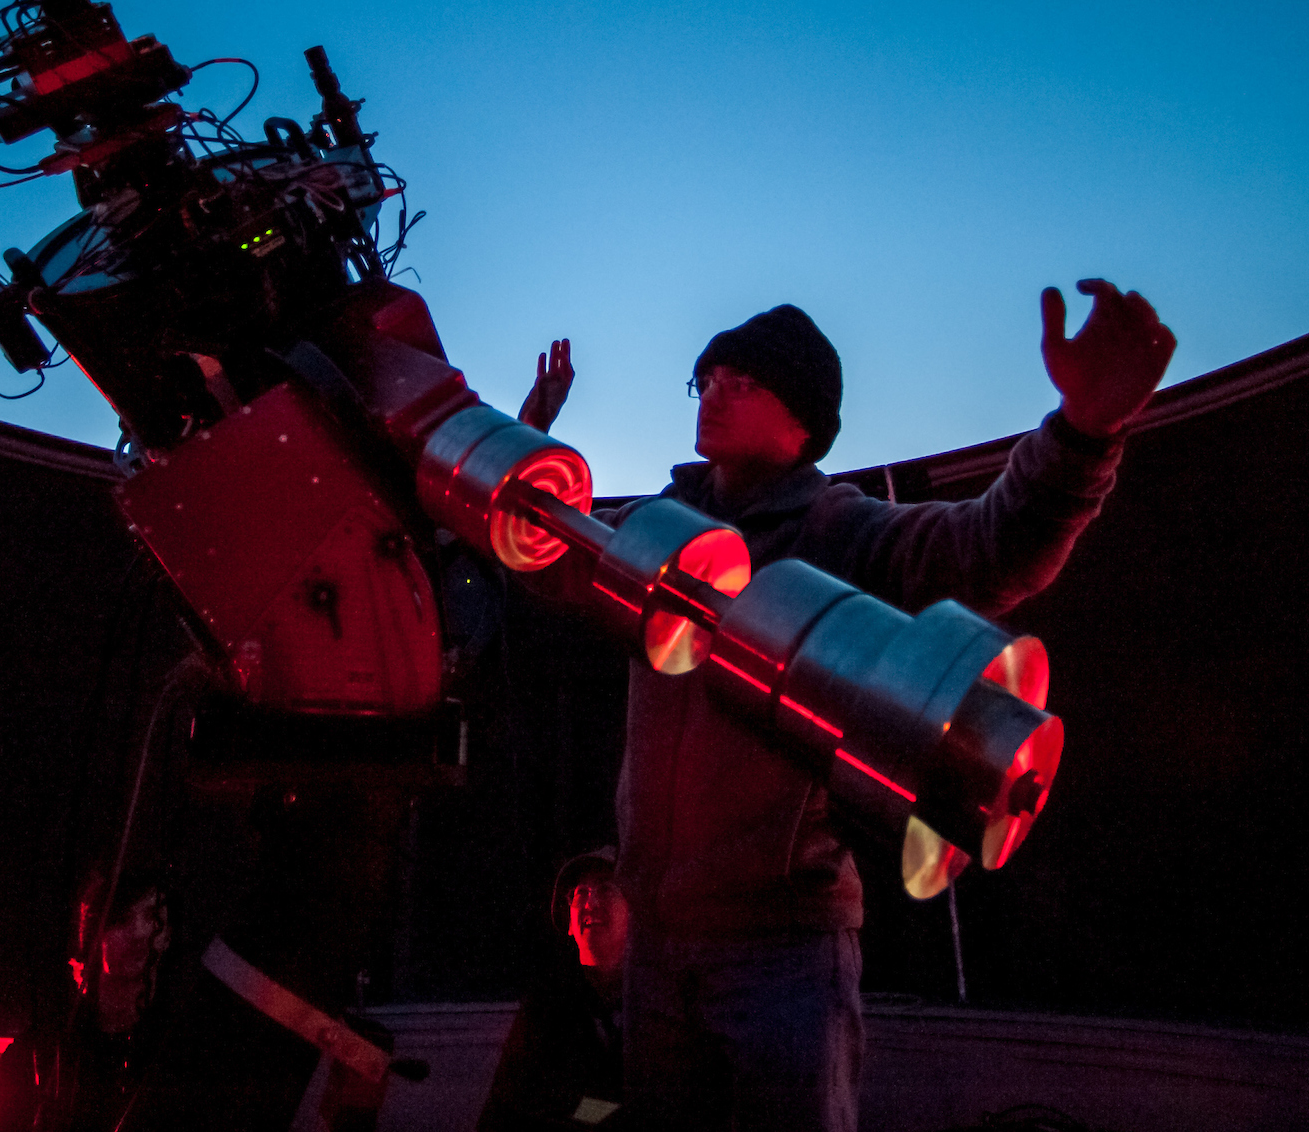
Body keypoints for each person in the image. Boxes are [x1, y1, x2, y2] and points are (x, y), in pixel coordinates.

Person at [515, 283, 1173, 1132]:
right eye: (706, 374)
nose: (712, 387)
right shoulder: (660, 525)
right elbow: (552, 559)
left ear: (803, 419)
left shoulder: (842, 532)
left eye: (741, 378)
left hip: (780, 956)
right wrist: (528, 448)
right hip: (658, 950)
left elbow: (990, 547)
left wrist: (1084, 432)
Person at [477, 848, 631, 1130]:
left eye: (607, 888)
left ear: (635, 910)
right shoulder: (545, 1008)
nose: (590, 903)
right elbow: (516, 1103)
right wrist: (615, 1114)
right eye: (580, 893)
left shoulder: (660, 1002)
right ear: (569, 923)